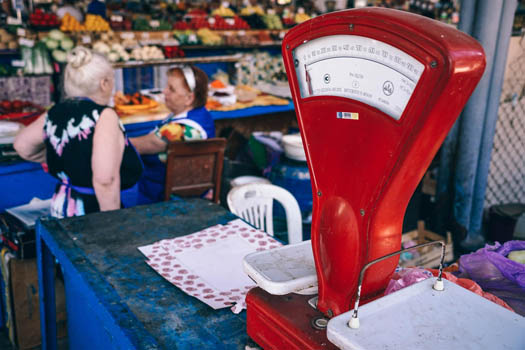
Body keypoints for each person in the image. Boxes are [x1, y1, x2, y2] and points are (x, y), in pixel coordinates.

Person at [14, 46, 143, 218]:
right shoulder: (104, 116)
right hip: (91, 213)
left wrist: (64, 158)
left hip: (61, 206)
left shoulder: (54, 112)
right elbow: (105, 180)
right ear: (104, 83)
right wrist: (114, 225)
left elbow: (21, 145)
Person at [131, 65, 215, 204]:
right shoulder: (201, 114)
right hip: (168, 191)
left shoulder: (179, 129)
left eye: (171, 89)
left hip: (163, 198)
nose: (164, 91)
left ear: (189, 98)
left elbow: (139, 146)